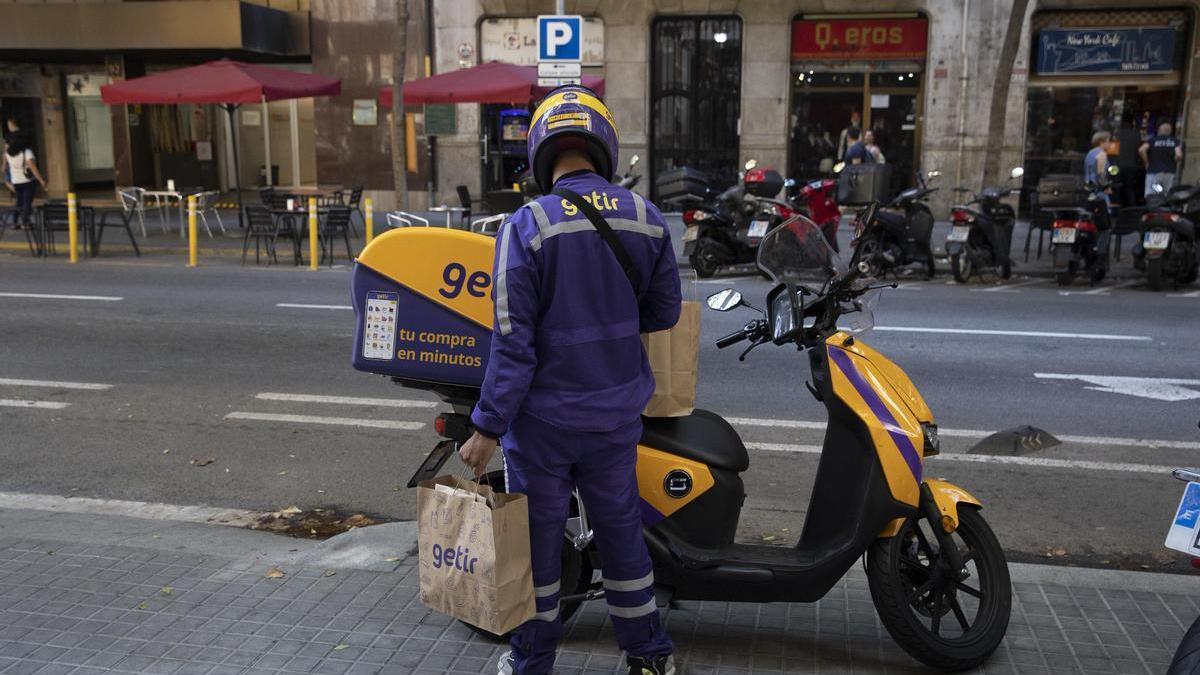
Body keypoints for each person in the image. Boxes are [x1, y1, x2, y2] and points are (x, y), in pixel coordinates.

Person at [457, 85, 680, 675]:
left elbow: (513, 342)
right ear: (602, 147)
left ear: (541, 152)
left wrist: (485, 426)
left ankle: (533, 665)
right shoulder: (646, 218)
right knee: (622, 539)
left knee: (538, 553)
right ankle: (650, 659)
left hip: (543, 427)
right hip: (613, 420)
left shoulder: (526, 226)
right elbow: (664, 314)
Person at [3, 125, 46, 231]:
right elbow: (33, 168)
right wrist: (41, 180)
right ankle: (25, 223)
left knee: (19, 202)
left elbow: (7, 162)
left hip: (16, 181)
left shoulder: (8, 153)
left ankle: (14, 222)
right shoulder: (26, 152)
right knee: (27, 202)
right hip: (28, 181)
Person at [1140, 121, 1184, 196]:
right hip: (1169, 174)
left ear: (1159, 130)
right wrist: (1176, 160)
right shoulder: (1175, 141)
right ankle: (1163, 206)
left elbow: (1141, 150)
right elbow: (1179, 155)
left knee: (1153, 195)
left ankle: (1155, 206)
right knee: (1167, 195)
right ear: (1170, 131)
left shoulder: (1153, 140)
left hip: (1154, 174)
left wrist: (1147, 163)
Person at [1115, 113, 1145, 207]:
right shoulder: (1136, 134)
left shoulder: (1117, 133)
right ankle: (1132, 207)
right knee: (1130, 188)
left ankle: (1116, 206)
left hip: (1117, 165)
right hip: (1132, 165)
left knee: (1116, 187)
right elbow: (1139, 150)